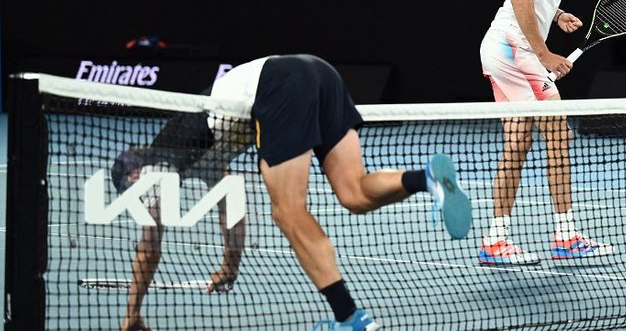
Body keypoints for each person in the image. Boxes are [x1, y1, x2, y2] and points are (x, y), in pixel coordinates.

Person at [111, 54, 472, 331]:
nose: (142, 198)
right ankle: (425, 179)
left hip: (278, 85)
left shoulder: (160, 162)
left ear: (135, 174)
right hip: (319, 73)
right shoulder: (195, 151)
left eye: (134, 189)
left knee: (288, 212)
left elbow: (148, 244)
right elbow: (231, 206)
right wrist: (229, 268)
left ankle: (348, 317)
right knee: (354, 193)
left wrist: (132, 314)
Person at [478, 0, 612, 265]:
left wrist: (556, 14)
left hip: (503, 45)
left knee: (522, 144)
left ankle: (501, 239)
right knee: (556, 138)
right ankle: (561, 235)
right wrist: (544, 54)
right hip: (513, 49)